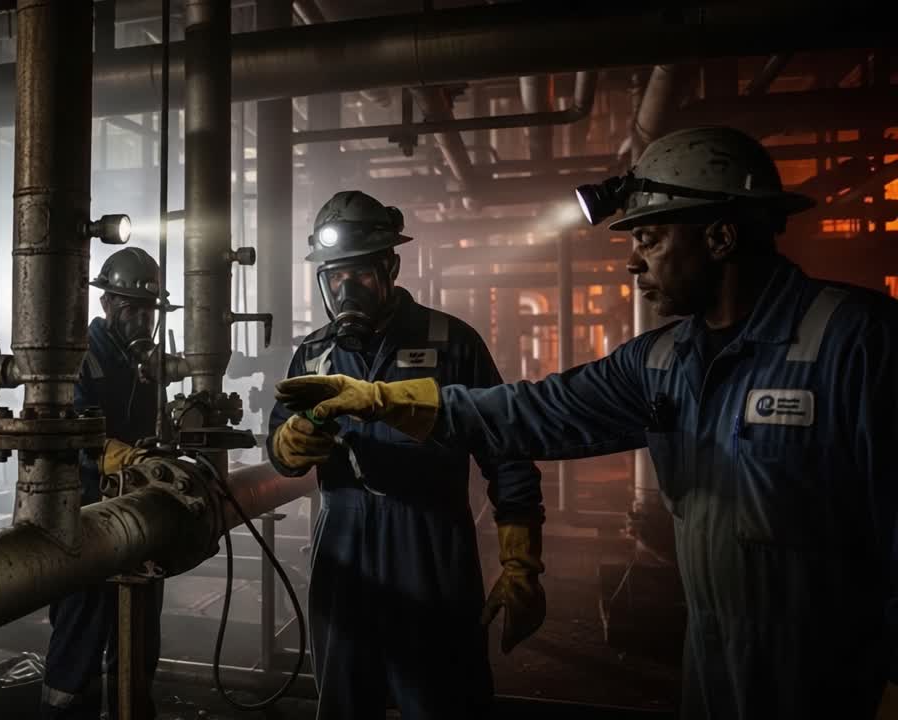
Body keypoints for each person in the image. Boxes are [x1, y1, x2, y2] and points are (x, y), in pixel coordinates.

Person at [274, 127, 898, 720]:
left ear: (720, 238)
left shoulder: (855, 344)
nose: (633, 263)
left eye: (648, 240)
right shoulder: (661, 359)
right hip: (712, 644)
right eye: (335, 275)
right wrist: (365, 406)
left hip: (832, 656)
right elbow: (532, 412)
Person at [266, 191, 546, 719]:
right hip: (342, 541)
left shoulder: (451, 341)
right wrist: (287, 447)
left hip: (430, 541)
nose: (346, 289)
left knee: (441, 697)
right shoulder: (313, 352)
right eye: (334, 277)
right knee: (345, 697)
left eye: (361, 274)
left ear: (390, 267)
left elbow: (506, 450)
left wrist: (521, 559)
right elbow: (282, 445)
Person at [42, 247, 167, 719]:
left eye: (147, 310)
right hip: (84, 519)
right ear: (106, 305)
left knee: (139, 641)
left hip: (140, 515)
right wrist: (113, 454)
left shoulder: (147, 363)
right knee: (80, 636)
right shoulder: (79, 355)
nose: (140, 319)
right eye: (130, 308)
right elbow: (69, 426)